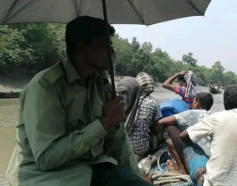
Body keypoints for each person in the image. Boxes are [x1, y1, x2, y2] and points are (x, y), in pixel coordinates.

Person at [6, 16, 151, 186]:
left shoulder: (101, 84)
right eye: (105, 46)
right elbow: (46, 158)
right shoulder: (46, 87)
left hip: (91, 168)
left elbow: (118, 140)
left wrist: (134, 176)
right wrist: (103, 124)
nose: (112, 53)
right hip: (45, 176)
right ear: (83, 50)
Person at [180, 85, 237, 186]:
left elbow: (183, 136)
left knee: (186, 140)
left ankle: (183, 170)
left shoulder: (217, 118)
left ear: (225, 103)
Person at [157, 92, 214, 174]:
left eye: (194, 101)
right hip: (210, 153)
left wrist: (159, 138)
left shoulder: (190, 113)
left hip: (197, 151)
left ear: (197, 103)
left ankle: (182, 168)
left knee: (169, 129)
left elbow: (161, 122)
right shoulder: (214, 116)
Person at [128, 72, 162, 162]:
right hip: (141, 148)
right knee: (158, 137)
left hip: (125, 144)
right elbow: (158, 129)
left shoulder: (129, 100)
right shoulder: (153, 102)